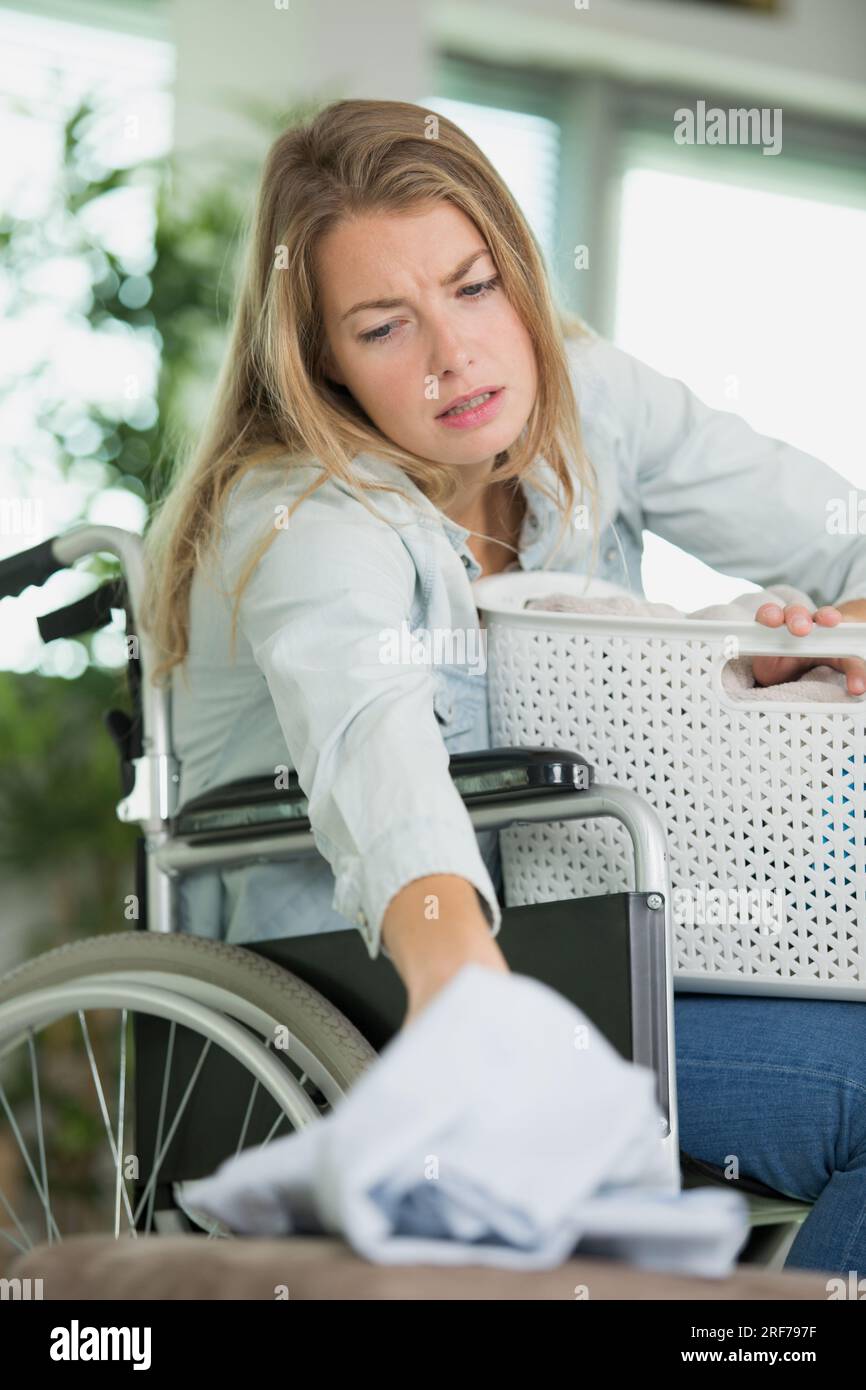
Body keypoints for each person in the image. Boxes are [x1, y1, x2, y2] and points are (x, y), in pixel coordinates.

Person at [140, 98, 866, 1274]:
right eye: (383, 327)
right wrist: (462, 985)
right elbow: (372, 754)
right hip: (366, 978)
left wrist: (806, 642)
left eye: (473, 288)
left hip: (605, 947)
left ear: (520, 277)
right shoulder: (304, 517)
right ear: (320, 361)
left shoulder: (588, 399)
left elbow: (846, 541)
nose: (452, 356)